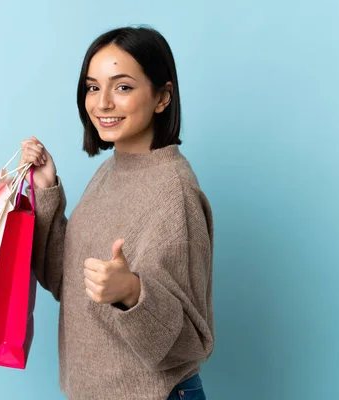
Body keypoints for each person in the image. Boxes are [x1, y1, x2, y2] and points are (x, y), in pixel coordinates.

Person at [18, 26, 214, 400]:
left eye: (122, 87)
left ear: (162, 97)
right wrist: (45, 190)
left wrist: (133, 293)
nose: (102, 102)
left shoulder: (176, 191)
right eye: (93, 87)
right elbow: (68, 281)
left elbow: (192, 341)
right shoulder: (110, 171)